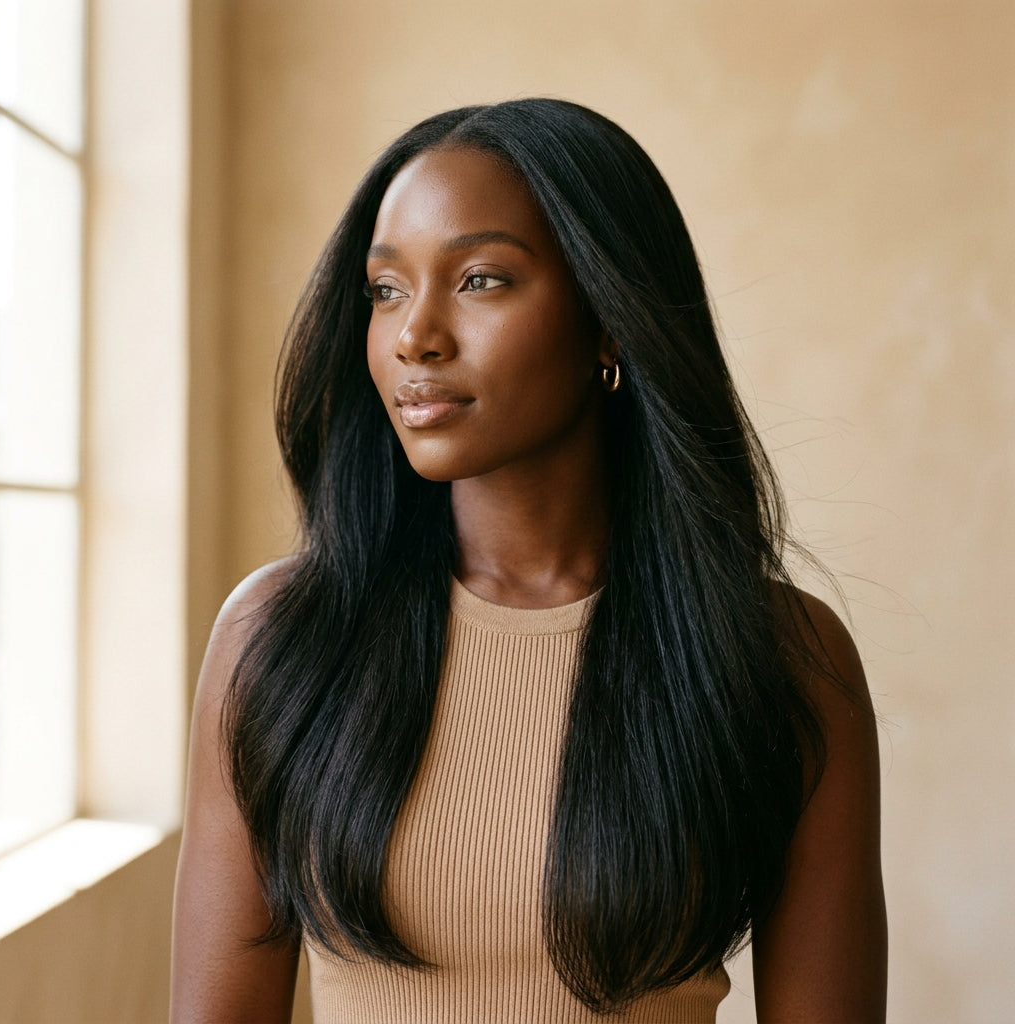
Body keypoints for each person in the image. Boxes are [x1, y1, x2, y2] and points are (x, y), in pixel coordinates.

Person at [171, 99, 887, 1024]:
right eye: (385, 289)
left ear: (609, 318)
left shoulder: (783, 656)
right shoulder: (280, 639)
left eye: (479, 280)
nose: (413, 336)